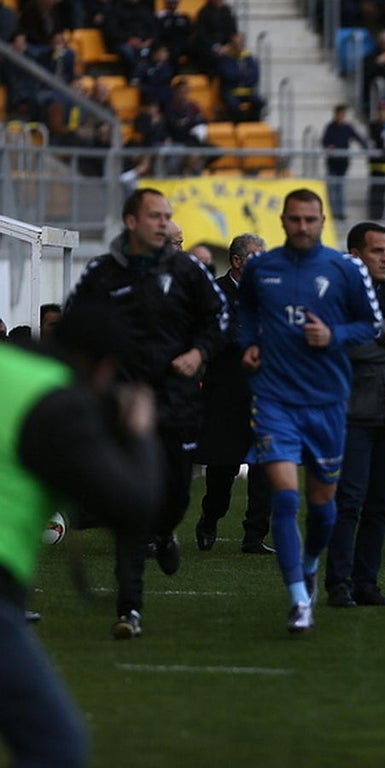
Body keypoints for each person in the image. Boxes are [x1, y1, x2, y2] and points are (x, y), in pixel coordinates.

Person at [0, 301, 163, 767]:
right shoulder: (54, 399)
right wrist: (138, 432)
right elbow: (134, 506)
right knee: (55, 745)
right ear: (104, 366)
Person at [64, 187, 227, 639]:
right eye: (155, 215)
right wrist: (100, 383)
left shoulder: (188, 271)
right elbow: (75, 330)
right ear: (131, 221)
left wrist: (199, 351)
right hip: (123, 406)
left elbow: (219, 318)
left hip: (176, 402)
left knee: (173, 496)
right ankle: (128, 608)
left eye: (167, 216)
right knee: (130, 505)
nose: (163, 222)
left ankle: (167, 530)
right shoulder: (101, 273)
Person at [235, 188, 382, 634]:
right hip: (275, 399)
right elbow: (243, 311)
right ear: (283, 220)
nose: (302, 227)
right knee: (284, 496)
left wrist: (333, 335)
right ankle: (299, 598)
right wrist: (250, 344)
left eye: (310, 220)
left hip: (327, 403)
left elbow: (371, 324)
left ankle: (312, 562)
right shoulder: (261, 268)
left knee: (322, 507)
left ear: (322, 221)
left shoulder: (345, 268)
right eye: (295, 219)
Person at [325, 222, 385, 607]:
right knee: (348, 501)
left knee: (379, 505)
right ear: (355, 256)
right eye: (377, 251)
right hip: (353, 413)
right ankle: (338, 583)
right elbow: (345, 348)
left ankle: (366, 583)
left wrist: (379, 333)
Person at [193, 233, 275, 556]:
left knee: (265, 469)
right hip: (226, 394)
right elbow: (214, 335)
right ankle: (210, 518)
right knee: (222, 470)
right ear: (238, 261)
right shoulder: (214, 292)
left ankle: (254, 536)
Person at [321, 105, 368, 221]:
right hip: (332, 163)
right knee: (332, 188)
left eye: (343, 114)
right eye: (340, 114)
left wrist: (366, 147)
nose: (341, 117)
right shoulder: (330, 127)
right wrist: (329, 147)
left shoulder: (347, 127)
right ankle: (332, 213)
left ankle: (340, 213)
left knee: (340, 188)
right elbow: (324, 141)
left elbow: (359, 138)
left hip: (343, 163)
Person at [217, 32, 265, 122]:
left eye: (240, 43)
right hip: (231, 91)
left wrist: (240, 76)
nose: (238, 46)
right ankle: (239, 124)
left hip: (246, 91)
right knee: (234, 105)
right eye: (236, 43)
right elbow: (228, 75)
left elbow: (254, 76)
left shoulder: (248, 58)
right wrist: (243, 74)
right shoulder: (226, 58)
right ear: (231, 44)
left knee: (259, 102)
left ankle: (252, 124)